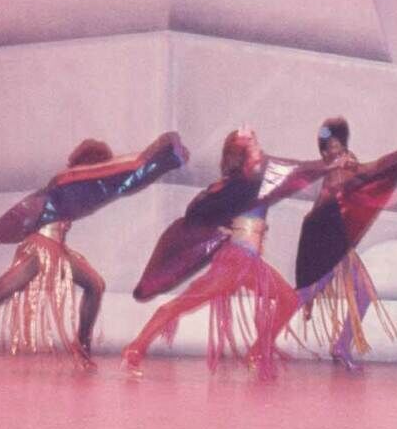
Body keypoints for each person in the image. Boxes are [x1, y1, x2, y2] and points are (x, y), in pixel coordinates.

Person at [0, 132, 186, 367]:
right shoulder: (67, 181)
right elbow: (122, 177)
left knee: (95, 285)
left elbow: (122, 180)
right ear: (93, 164)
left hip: (55, 250)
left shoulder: (74, 185)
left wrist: (161, 158)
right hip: (40, 250)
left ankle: (81, 347)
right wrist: (161, 156)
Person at [123, 128, 324, 378]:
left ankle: (257, 352)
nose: (258, 149)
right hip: (233, 260)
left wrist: (327, 165)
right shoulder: (239, 186)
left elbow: (295, 172)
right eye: (252, 146)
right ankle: (135, 348)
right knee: (183, 303)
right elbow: (198, 208)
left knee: (289, 299)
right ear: (241, 155)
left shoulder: (257, 184)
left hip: (251, 264)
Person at [288, 118, 397, 371]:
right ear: (324, 151)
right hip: (323, 242)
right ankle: (262, 338)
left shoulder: (347, 164)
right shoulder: (333, 168)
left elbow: (374, 170)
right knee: (307, 293)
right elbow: (372, 171)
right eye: (329, 147)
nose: (336, 152)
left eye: (338, 146)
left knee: (362, 293)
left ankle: (341, 346)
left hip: (339, 242)